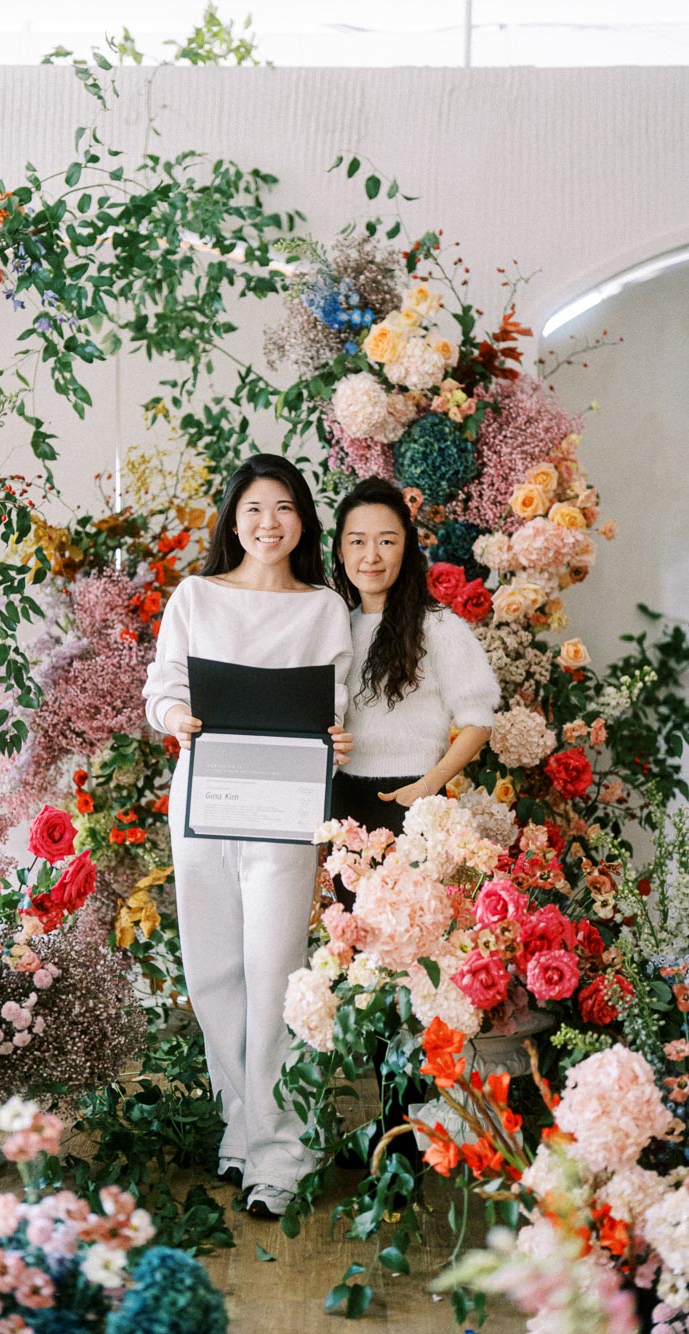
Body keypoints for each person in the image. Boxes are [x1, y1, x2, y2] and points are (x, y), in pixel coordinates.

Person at [143, 452, 353, 1219]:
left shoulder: (324, 607)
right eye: (255, 509)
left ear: (304, 522)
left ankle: (281, 1155)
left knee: (274, 974)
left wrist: (341, 741)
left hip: (287, 808)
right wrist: (174, 718)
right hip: (204, 797)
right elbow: (162, 685)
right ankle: (244, 1128)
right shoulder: (195, 596)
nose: (270, 523)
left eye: (285, 508)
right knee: (214, 975)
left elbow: (339, 705)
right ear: (234, 520)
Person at [330, 476, 500, 1169]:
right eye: (357, 540)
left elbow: (478, 721)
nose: (371, 555)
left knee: (415, 973)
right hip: (344, 813)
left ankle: (414, 1131)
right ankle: (387, 1124)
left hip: (412, 814)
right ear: (338, 548)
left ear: (408, 550)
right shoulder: (327, 623)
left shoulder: (438, 628)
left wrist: (427, 786)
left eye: (386, 541)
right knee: (361, 968)